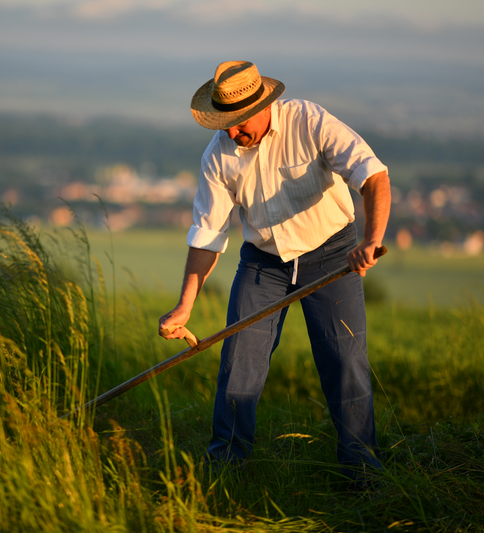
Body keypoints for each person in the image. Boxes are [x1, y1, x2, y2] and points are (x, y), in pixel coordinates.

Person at [158, 61, 391, 478]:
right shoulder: (218, 156)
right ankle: (225, 467)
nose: (230, 132)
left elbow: (373, 175)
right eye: (223, 123)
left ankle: (363, 473)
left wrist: (371, 240)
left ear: (264, 105)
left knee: (345, 364)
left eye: (237, 122)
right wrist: (184, 306)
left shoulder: (310, 121)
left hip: (332, 254)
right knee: (239, 362)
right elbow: (207, 235)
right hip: (263, 264)